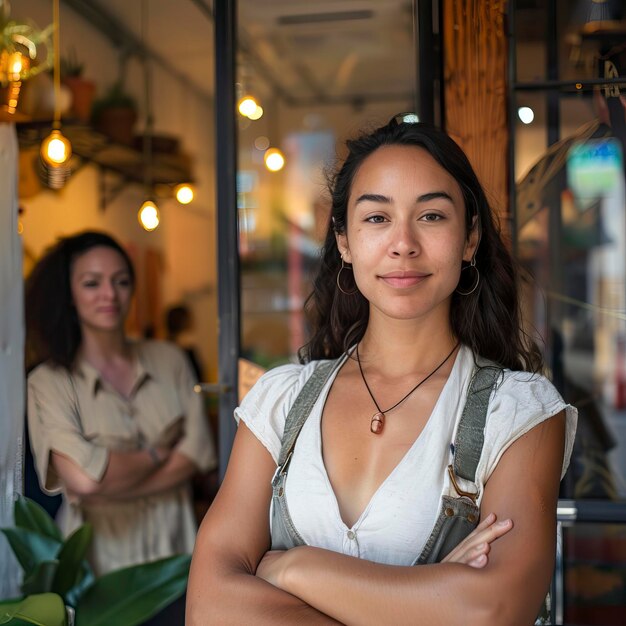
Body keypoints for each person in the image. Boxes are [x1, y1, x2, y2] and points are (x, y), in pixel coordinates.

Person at [187, 119, 577, 625]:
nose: (403, 244)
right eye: (376, 218)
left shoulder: (517, 411)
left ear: (470, 238)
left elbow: (492, 610)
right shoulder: (280, 402)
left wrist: (292, 570)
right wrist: (429, 599)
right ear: (344, 241)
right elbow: (209, 607)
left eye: (432, 215)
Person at [26, 231, 217, 576]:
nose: (109, 294)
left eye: (121, 281)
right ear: (69, 294)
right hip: (98, 574)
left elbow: (199, 453)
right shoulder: (48, 381)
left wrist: (110, 483)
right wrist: (159, 454)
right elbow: (83, 482)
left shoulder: (170, 360)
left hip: (176, 557)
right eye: (91, 283)